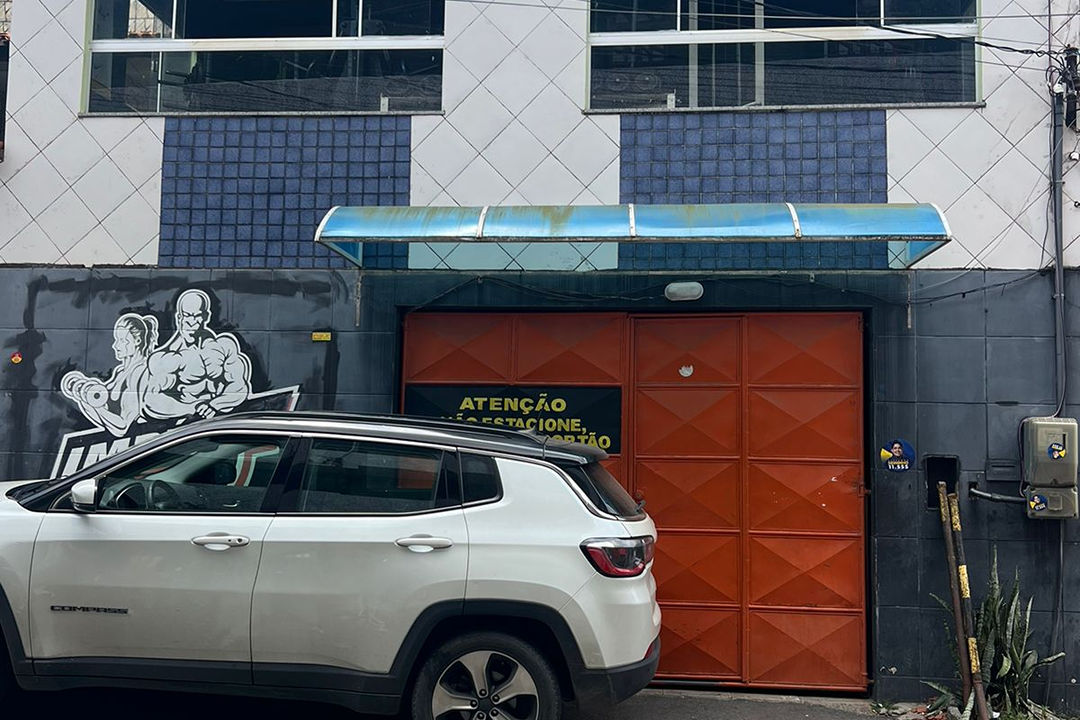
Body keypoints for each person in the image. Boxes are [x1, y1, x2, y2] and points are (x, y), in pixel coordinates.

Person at [143, 289, 252, 421]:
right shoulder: (165, 359)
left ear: (206, 316)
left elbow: (239, 387)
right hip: (183, 429)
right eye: (187, 316)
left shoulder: (223, 347)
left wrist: (214, 405)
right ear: (178, 318)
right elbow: (151, 399)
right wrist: (193, 408)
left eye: (197, 316)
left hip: (221, 425)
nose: (191, 321)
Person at [61, 314, 159, 437]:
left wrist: (96, 406)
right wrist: (84, 397)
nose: (115, 346)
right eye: (117, 340)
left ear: (137, 341)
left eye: (122, 341)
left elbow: (122, 426)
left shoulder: (140, 373)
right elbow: (103, 416)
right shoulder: (120, 372)